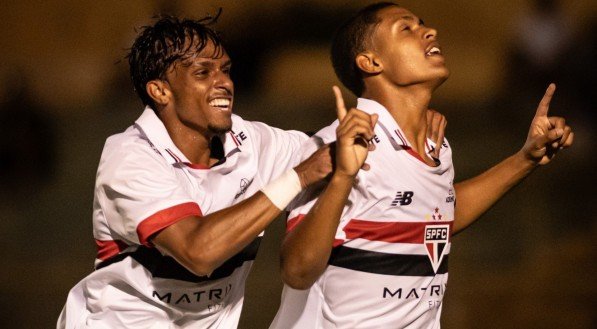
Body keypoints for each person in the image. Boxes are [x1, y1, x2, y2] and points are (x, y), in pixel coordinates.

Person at [270, 2, 574, 328]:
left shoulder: (437, 144)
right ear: (371, 61)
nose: (430, 31)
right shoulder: (337, 145)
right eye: (406, 28)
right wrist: (344, 173)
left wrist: (525, 158)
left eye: (422, 25)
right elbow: (297, 270)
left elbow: (437, 217)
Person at [56, 14, 337, 328]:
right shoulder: (130, 156)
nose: (224, 83)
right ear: (160, 91)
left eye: (226, 70)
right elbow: (198, 252)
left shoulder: (249, 142)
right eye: (203, 71)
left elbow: (325, 150)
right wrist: (298, 177)